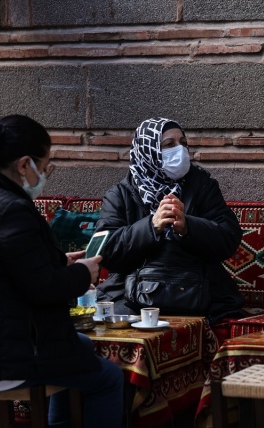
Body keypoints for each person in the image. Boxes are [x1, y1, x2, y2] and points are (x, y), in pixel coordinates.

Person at [0, 115, 123, 428]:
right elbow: (44, 289)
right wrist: (84, 274)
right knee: (109, 378)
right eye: (46, 166)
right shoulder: (10, 208)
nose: (46, 174)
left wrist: (60, 262)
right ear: (24, 165)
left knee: (82, 347)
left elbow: (9, 266)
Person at [95, 117, 245, 323]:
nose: (180, 150)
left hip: (199, 290)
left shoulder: (202, 186)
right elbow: (107, 250)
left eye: (183, 143)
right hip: (132, 294)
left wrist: (188, 227)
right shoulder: (121, 193)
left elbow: (228, 239)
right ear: (148, 151)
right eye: (168, 145)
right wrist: (151, 226)